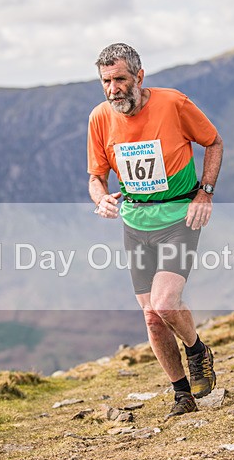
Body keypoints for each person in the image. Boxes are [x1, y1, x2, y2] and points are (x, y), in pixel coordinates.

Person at [87, 43, 224, 418]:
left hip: (179, 219)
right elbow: (96, 176)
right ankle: (183, 394)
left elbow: (213, 142)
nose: (113, 88)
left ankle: (197, 350)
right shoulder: (100, 117)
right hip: (135, 224)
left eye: (120, 79)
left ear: (139, 76)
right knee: (151, 316)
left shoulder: (173, 103)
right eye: (106, 81)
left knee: (165, 303)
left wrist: (205, 193)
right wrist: (100, 199)